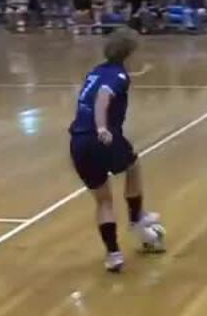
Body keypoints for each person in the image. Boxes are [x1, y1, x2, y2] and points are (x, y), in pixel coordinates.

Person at [69, 28, 166, 273]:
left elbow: (103, 85)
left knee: (103, 202)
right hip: (103, 139)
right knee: (133, 167)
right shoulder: (119, 78)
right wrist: (102, 127)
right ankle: (136, 217)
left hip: (79, 142)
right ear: (129, 52)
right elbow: (104, 96)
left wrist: (139, 73)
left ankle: (113, 255)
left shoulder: (98, 72)